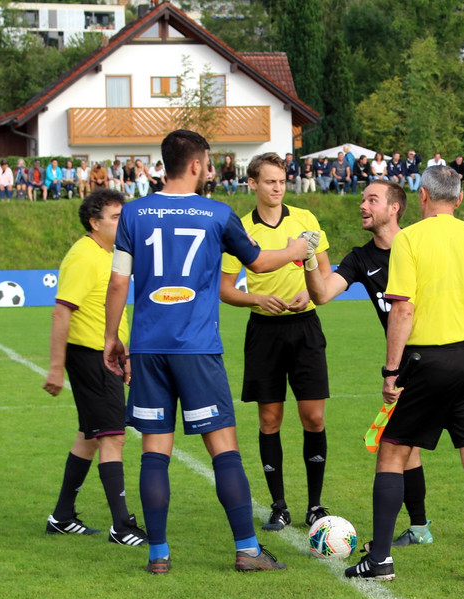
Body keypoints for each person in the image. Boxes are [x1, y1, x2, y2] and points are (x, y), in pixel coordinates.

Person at [103, 129, 310, 574]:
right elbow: (258, 262)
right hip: (197, 348)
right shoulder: (216, 213)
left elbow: (119, 282)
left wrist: (111, 338)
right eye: (209, 163)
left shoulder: (134, 213)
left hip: (149, 348)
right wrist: (294, 249)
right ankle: (248, 550)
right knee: (224, 450)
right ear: (196, 164)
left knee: (154, 452)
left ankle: (158, 555)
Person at [304, 179, 464, 552]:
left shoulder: (422, 243)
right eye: (362, 199)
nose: (362, 205)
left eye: (372, 199)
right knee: (408, 447)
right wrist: (309, 260)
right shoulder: (361, 258)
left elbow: (412, 308)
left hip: (438, 356)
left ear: (395, 207)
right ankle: (420, 527)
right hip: (416, 366)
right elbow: (321, 294)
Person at [220, 151, 331, 532]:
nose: (278, 188)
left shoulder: (305, 220)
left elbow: (325, 273)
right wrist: (256, 298)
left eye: (282, 181)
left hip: (306, 328)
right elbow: (224, 289)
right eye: (270, 182)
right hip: (264, 331)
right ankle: (279, 505)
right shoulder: (239, 228)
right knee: (270, 419)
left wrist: (310, 292)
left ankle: (315, 505)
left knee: (314, 417)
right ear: (252, 183)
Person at [43, 188, 148, 546]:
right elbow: (62, 312)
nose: (123, 223)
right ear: (94, 223)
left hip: (103, 354)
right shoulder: (85, 256)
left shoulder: (111, 254)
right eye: (116, 217)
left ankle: (61, 516)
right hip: (89, 357)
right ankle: (122, 526)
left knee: (90, 437)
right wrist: (55, 368)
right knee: (113, 436)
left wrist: (124, 349)